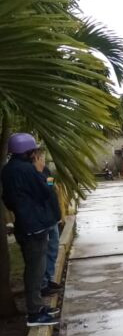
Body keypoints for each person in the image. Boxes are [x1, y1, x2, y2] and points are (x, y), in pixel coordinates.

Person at [1, 134, 60, 326]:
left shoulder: (8, 170)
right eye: (35, 151)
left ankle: (37, 305)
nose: (37, 154)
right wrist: (43, 173)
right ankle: (34, 313)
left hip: (28, 224)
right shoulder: (29, 170)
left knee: (38, 266)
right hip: (35, 225)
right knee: (36, 270)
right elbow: (47, 190)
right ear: (29, 152)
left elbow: (8, 200)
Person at [33, 149, 63, 297]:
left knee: (53, 248)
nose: (44, 161)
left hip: (51, 216)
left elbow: (51, 190)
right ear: (36, 158)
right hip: (41, 219)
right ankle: (43, 283)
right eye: (42, 158)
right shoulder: (31, 174)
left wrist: (57, 213)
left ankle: (49, 278)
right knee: (43, 252)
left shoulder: (46, 172)